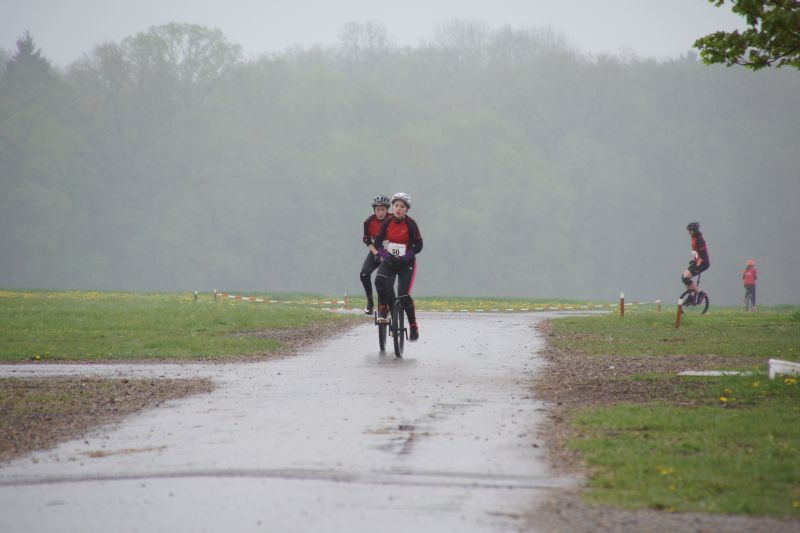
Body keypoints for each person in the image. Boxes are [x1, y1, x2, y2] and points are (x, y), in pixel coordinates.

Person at [374, 192, 423, 341]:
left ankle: (413, 325)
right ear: (392, 207)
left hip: (406, 263)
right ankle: (384, 307)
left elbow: (418, 246)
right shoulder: (387, 222)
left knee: (403, 295)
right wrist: (387, 256)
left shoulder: (411, 224)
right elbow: (377, 243)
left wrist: (405, 258)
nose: (398, 209)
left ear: (406, 209)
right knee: (380, 281)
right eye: (396, 205)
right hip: (390, 260)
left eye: (402, 206)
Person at [360, 195, 392, 314]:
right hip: (376, 249)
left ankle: (384, 305)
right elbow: (367, 240)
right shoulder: (368, 222)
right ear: (374, 210)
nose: (380, 212)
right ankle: (370, 302)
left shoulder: (393, 220)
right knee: (364, 273)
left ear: (387, 210)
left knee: (382, 279)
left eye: (383, 209)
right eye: (378, 209)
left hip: (390, 251)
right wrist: (376, 253)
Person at [682, 222, 710, 301]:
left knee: (686, 278)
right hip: (697, 261)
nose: (688, 232)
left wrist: (697, 265)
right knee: (683, 277)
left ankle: (701, 293)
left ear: (694, 231)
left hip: (703, 263)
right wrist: (694, 260)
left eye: (689, 230)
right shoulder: (693, 238)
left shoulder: (700, 240)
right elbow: (695, 252)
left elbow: (702, 255)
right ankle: (690, 296)